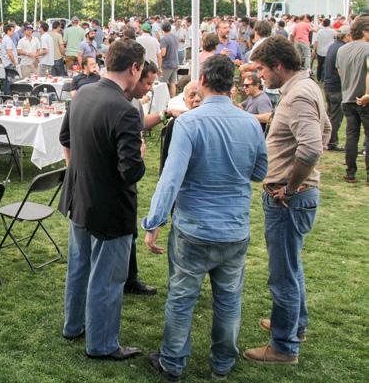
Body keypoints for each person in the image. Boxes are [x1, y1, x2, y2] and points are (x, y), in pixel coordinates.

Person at [144, 55, 268, 381]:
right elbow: (260, 171)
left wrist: (154, 222)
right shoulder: (250, 123)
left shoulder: (189, 123)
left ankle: (173, 362)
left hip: (194, 230)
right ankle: (222, 364)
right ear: (232, 84)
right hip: (233, 229)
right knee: (228, 300)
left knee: (182, 298)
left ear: (202, 81)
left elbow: (170, 178)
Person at [243, 36, 330, 365]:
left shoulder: (299, 94)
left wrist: (291, 186)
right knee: (290, 267)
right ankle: (294, 325)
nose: (260, 75)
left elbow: (312, 147)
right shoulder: (305, 87)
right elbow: (325, 129)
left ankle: (283, 346)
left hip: (287, 199)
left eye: (262, 69)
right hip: (292, 195)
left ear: (278, 65)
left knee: (282, 274)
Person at [59, 39, 146, 360]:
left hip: (79, 197)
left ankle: (74, 325)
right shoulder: (125, 110)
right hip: (108, 207)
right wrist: (140, 153)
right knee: (107, 278)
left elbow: (65, 139)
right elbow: (130, 171)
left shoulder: (82, 93)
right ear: (134, 68)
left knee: (79, 266)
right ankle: (102, 343)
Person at [121, 60, 160, 296]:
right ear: (135, 76)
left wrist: (164, 115)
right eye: (147, 83)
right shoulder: (117, 103)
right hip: (120, 173)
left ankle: (130, 278)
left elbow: (140, 125)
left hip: (131, 172)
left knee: (130, 226)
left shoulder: (135, 102)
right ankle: (122, 279)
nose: (149, 89)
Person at [335, 15, 369, 183]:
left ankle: (350, 173)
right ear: (365, 31)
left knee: (351, 137)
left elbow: (339, 71)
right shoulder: (367, 48)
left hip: (347, 98)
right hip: (365, 99)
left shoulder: (342, 50)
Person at [323, 25, 351, 151]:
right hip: (336, 87)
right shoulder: (342, 49)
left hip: (328, 85)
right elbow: (342, 69)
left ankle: (328, 140)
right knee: (336, 117)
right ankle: (331, 142)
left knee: (330, 116)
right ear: (347, 35)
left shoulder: (333, 46)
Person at [159, 21, 180, 97]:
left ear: (162, 29)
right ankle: (173, 99)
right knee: (172, 83)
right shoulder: (175, 37)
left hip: (167, 65)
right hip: (175, 63)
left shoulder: (164, 39)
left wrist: (158, 53)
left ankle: (162, 100)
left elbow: (163, 53)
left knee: (161, 84)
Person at [0, 24, 20, 94]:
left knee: (7, 80)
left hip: (6, 62)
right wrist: (14, 62)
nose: (14, 32)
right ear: (8, 31)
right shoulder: (8, 40)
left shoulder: (5, 38)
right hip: (10, 63)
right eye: (13, 31)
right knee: (10, 81)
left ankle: (6, 94)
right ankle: (8, 95)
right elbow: (10, 53)